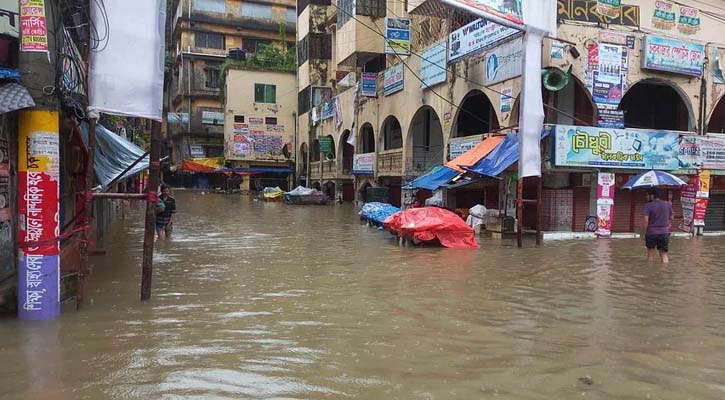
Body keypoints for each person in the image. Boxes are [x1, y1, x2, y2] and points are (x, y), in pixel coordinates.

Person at [641, 187, 674, 264]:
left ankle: (649, 272)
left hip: (651, 233)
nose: (646, 197)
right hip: (664, 233)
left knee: (650, 255)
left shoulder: (648, 206)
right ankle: (664, 272)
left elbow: (646, 221)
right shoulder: (667, 204)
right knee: (664, 254)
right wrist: (668, 223)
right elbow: (672, 217)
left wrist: (643, 233)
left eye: (647, 195)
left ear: (652, 195)